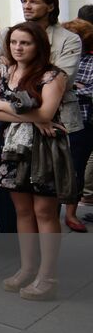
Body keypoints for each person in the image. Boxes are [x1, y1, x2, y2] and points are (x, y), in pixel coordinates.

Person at [0, 0, 83, 233]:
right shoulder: (7, 32)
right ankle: (8, 239)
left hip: (54, 123)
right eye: (24, 1)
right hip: (11, 130)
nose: (27, 6)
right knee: (6, 192)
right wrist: (35, 117)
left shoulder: (68, 38)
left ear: (50, 6)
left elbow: (63, 77)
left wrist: (40, 114)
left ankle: (45, 263)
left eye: (34, 2)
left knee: (44, 203)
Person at [0, 21, 71, 300]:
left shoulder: (52, 75)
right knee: (22, 211)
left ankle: (48, 277)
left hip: (44, 149)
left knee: (44, 213)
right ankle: (27, 268)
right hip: (12, 147)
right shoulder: (2, 71)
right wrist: (26, 115)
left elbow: (47, 113)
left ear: (39, 46)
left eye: (26, 43)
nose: (18, 48)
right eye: (14, 43)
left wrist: (3, 106)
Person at [63, 19, 93, 231]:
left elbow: (90, 91)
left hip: (84, 120)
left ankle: (71, 213)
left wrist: (71, 89)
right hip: (69, 121)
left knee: (78, 168)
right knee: (70, 169)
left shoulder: (89, 60)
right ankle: (64, 213)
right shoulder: (63, 60)